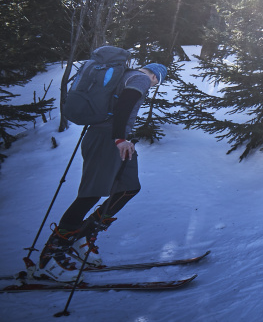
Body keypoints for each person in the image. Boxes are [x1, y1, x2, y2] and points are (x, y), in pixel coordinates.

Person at [35, 62, 168, 280]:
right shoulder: (141, 79)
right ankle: (51, 255)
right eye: (156, 83)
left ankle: (82, 236)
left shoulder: (125, 76)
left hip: (115, 141)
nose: (152, 86)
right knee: (91, 193)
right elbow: (125, 105)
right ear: (155, 77)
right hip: (108, 140)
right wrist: (120, 138)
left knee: (129, 188)